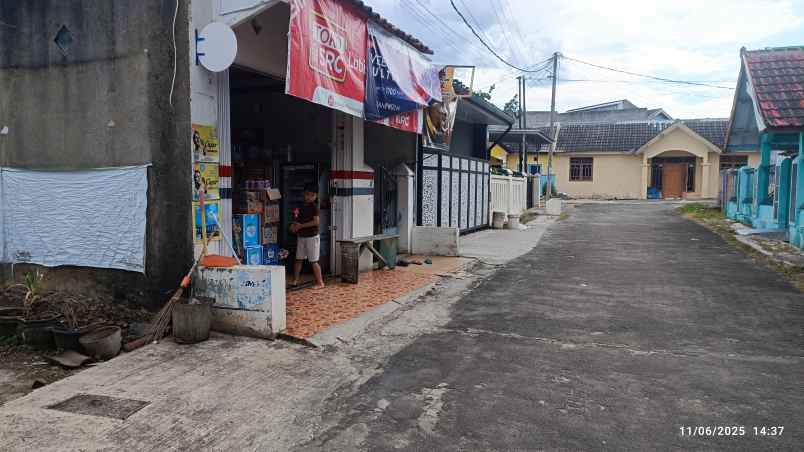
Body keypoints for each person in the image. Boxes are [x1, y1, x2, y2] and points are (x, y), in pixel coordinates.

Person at [289, 184, 324, 289]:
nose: (309, 197)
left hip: (312, 237)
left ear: (315, 196)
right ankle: (295, 280)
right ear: (304, 194)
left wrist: (301, 226)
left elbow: (316, 222)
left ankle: (320, 282)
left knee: (313, 261)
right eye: (307, 194)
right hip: (301, 236)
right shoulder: (299, 206)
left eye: (312, 195)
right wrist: (293, 226)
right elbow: (296, 218)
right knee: (298, 259)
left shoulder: (314, 207)